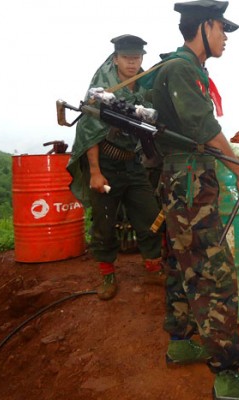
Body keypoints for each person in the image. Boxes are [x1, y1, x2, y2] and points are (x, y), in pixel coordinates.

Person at [149, 1, 239, 399]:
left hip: (184, 180)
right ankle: (228, 376)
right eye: (222, 29)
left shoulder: (186, 70)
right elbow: (203, 126)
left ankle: (182, 341)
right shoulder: (181, 69)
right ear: (204, 26)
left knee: (182, 262)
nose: (226, 38)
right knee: (214, 273)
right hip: (188, 181)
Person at [66, 35, 164, 301]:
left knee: (150, 216)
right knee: (104, 222)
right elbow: (90, 132)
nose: (133, 63)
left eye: (137, 58)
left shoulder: (143, 85)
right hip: (106, 164)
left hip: (133, 163)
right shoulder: (103, 89)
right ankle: (107, 275)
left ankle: (153, 268)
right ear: (116, 58)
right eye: (127, 58)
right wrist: (96, 172)